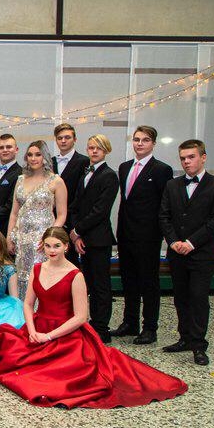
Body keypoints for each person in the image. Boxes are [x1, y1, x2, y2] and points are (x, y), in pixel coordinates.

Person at [0, 227, 187, 408]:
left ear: (66, 247)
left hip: (66, 332)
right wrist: (32, 330)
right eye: (48, 246)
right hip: (39, 325)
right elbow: (28, 304)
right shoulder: (37, 269)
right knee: (6, 349)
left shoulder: (75, 275)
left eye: (57, 246)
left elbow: (81, 317)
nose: (52, 250)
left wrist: (48, 336)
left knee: (58, 374)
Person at [159, 139, 214, 366]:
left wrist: (191, 242)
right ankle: (185, 338)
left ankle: (199, 345)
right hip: (177, 252)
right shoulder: (172, 185)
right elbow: (164, 216)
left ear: (203, 157)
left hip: (202, 253)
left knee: (198, 297)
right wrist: (173, 241)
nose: (186, 162)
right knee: (180, 297)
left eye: (191, 157)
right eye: (183, 158)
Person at [113, 126, 173, 344]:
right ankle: (130, 323)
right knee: (128, 280)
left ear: (153, 144)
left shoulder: (161, 169)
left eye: (145, 140)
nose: (140, 144)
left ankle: (149, 327)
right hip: (126, 233)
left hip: (148, 236)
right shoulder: (124, 167)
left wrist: (162, 233)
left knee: (148, 282)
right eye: (136, 139)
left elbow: (164, 205)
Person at [68, 134, 119, 343]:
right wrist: (76, 235)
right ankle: (88, 322)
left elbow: (100, 210)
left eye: (98, 147)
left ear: (106, 150)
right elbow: (75, 205)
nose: (94, 151)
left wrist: (78, 230)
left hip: (99, 239)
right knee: (86, 283)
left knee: (100, 285)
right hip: (83, 238)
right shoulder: (85, 174)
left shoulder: (109, 175)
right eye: (90, 147)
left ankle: (101, 327)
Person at [8, 140, 68, 299]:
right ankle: (23, 311)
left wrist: (50, 237)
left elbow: (62, 214)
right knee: (22, 276)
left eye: (38, 154)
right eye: (30, 155)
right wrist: (9, 237)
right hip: (21, 238)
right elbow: (14, 213)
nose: (33, 158)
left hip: (42, 240)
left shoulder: (56, 181)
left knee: (40, 276)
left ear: (45, 157)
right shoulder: (20, 179)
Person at [52, 123, 89, 265]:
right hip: (52, 219)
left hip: (73, 221)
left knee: (70, 262)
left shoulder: (85, 162)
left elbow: (84, 195)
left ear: (75, 139)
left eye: (67, 137)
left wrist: (77, 226)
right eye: (60, 138)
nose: (63, 141)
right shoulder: (50, 162)